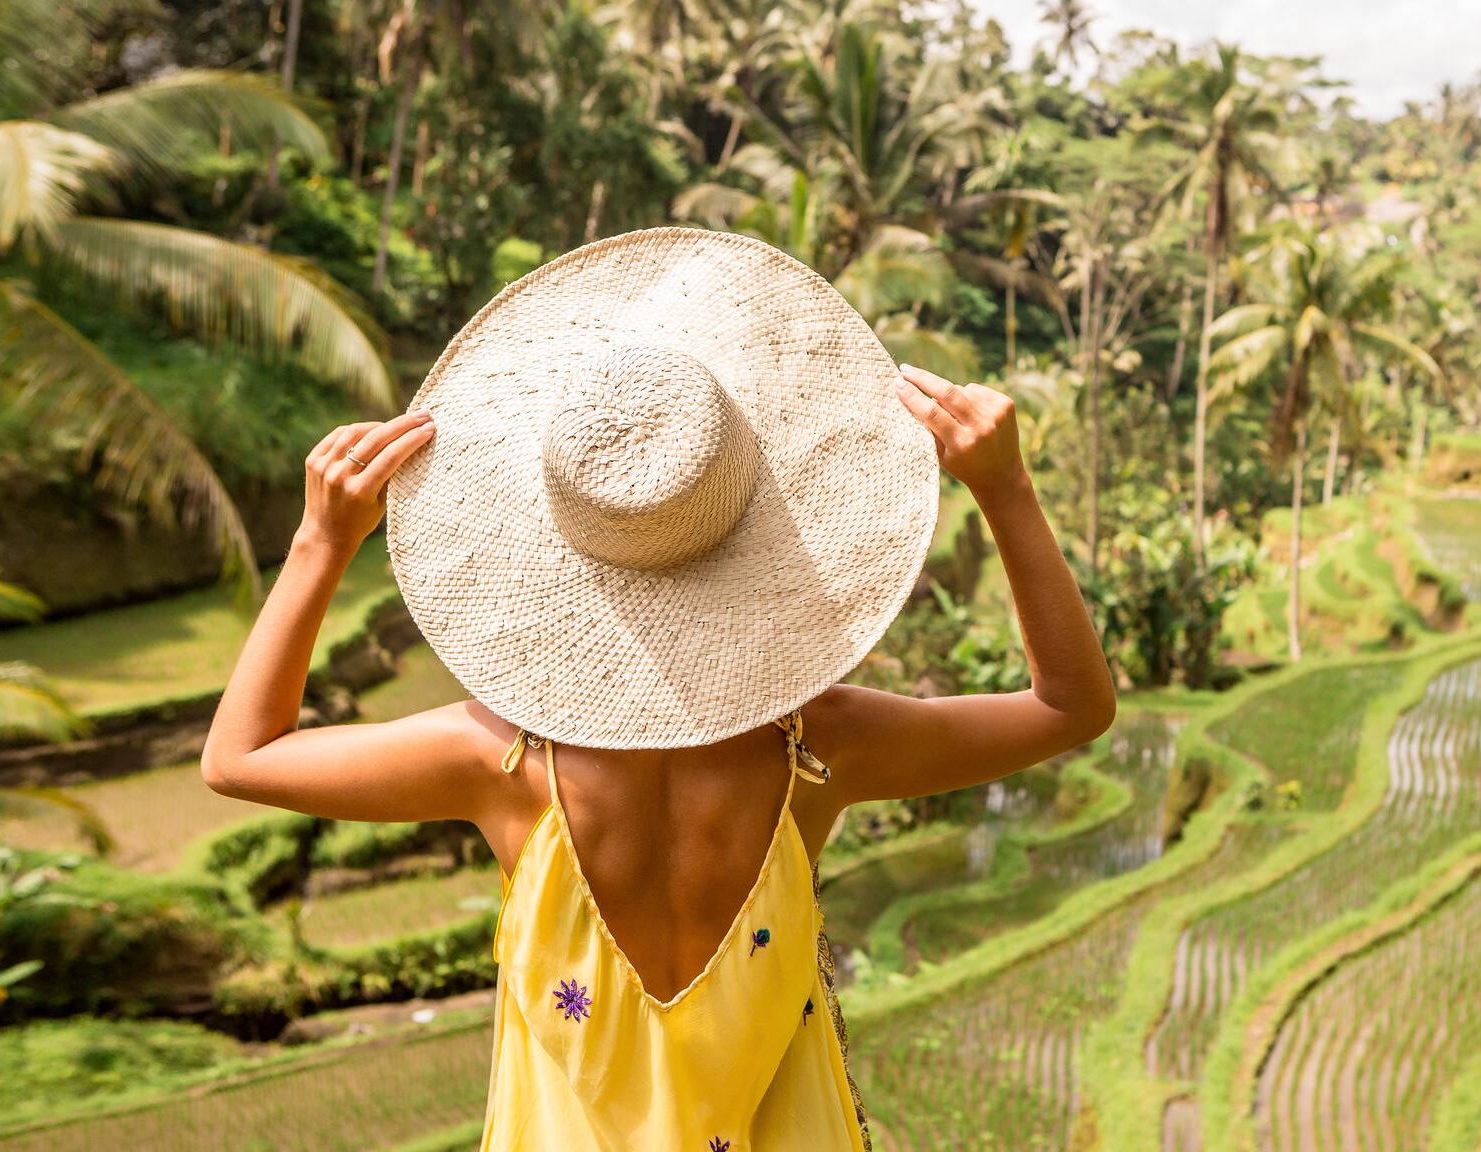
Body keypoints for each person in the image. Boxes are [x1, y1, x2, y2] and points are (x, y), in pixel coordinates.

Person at [202, 229, 1115, 1151]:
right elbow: (1070, 705)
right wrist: (1005, 492)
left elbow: (240, 757)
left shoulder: (501, 762)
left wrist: (320, 544)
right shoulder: (821, 746)